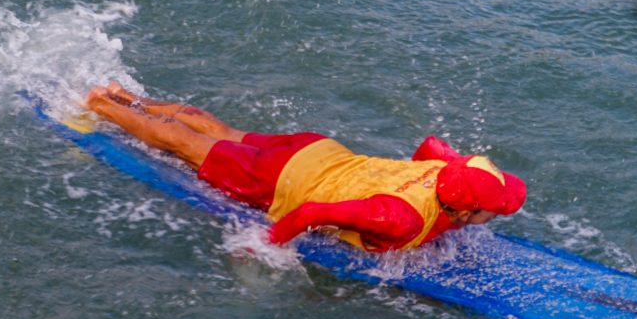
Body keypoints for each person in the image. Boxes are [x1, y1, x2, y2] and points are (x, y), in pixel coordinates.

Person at [84, 82, 526, 252]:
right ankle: (100, 105)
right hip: (280, 180)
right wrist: (266, 245)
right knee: (188, 146)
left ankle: (123, 95)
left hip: (320, 150)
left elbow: (430, 143)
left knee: (223, 132)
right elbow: (312, 214)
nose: (501, 209)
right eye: (495, 208)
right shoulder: (398, 218)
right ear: (465, 212)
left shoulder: (456, 168)